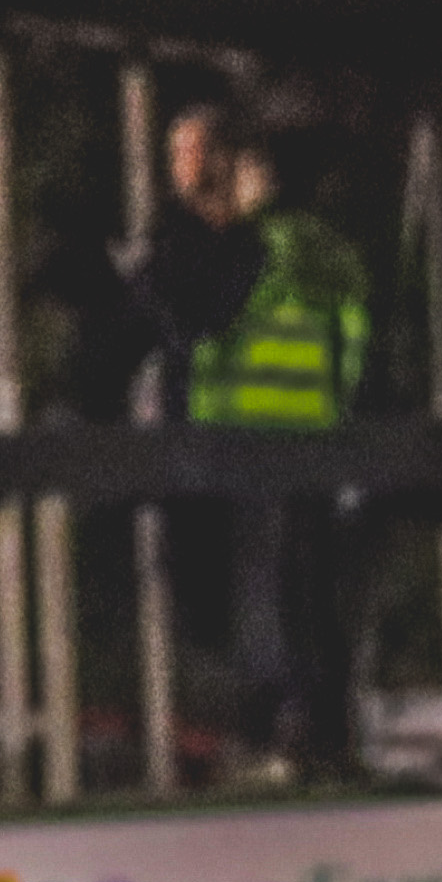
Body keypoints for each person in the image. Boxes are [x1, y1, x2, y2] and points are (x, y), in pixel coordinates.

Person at [130, 87, 374, 779]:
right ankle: (325, 731)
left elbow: (194, 315)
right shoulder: (330, 248)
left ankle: (267, 731)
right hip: (317, 434)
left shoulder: (249, 245)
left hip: (242, 434)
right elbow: (355, 343)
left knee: (259, 592)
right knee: (311, 590)